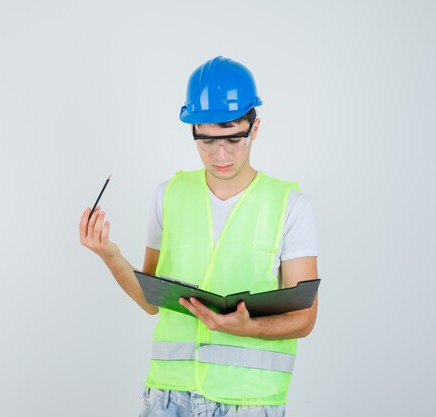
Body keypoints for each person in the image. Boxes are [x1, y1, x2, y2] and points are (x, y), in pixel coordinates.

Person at [79, 56, 318, 417]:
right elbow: (151, 302)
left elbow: (304, 317)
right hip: (168, 398)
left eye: (233, 137)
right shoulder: (168, 195)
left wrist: (249, 327)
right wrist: (109, 254)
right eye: (206, 140)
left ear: (255, 127)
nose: (220, 154)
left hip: (249, 404)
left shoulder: (290, 205)